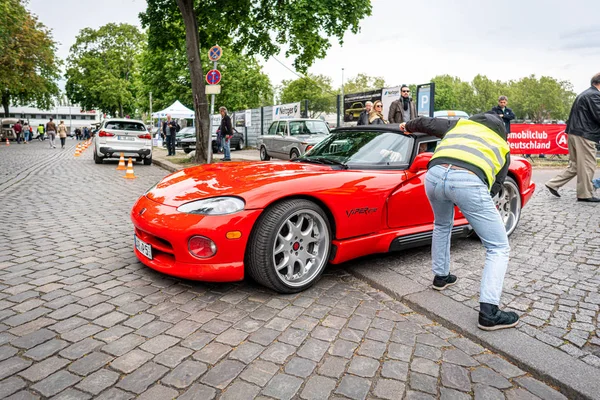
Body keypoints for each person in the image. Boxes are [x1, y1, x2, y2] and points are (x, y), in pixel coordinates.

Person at [401, 113, 518, 331]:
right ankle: (489, 313)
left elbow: (426, 122)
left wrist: (406, 125)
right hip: (468, 179)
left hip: (434, 175)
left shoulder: (460, 125)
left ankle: (441, 277)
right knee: (498, 247)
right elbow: (496, 185)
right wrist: (470, 200)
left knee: (442, 225)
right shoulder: (502, 145)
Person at [545, 72, 600, 202]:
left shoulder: (585, 94)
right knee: (587, 164)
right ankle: (585, 194)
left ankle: (553, 183)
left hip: (574, 133)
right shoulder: (595, 95)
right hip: (585, 134)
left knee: (575, 165)